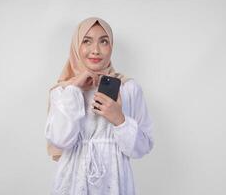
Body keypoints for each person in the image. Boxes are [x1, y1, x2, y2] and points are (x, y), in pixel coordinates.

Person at [44, 17, 154, 195]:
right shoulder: (62, 91)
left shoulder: (128, 88)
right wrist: (74, 89)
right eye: (86, 41)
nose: (95, 50)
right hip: (72, 181)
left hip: (115, 181)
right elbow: (61, 141)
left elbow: (142, 148)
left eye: (104, 41)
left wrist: (120, 120)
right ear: (76, 46)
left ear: (111, 46)